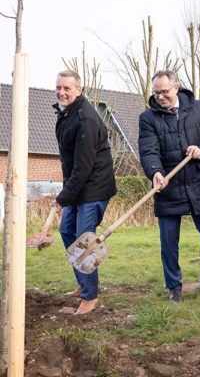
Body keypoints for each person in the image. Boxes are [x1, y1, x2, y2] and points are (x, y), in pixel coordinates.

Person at [138, 70, 200, 303]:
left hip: (199, 184)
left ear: (176, 88)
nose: (160, 97)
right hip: (168, 187)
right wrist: (156, 172)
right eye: (156, 93)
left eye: (164, 92)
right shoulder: (148, 118)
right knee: (168, 241)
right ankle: (174, 287)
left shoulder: (198, 108)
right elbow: (148, 151)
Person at [52, 70, 117, 315]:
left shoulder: (85, 119)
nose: (61, 92)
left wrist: (63, 197)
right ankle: (82, 283)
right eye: (58, 87)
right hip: (79, 185)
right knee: (66, 230)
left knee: (84, 240)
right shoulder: (66, 114)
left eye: (67, 88)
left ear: (79, 90)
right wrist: (67, 193)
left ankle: (91, 297)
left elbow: (83, 166)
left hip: (94, 187)